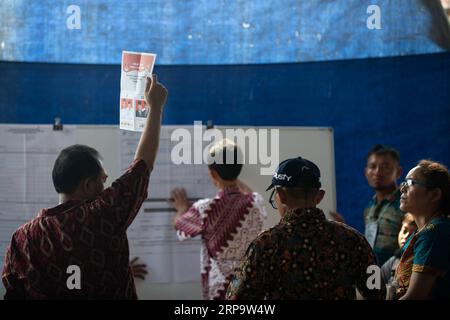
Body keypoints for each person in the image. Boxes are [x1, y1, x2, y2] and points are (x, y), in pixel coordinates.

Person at [2, 75, 168, 299]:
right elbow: (142, 165)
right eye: (103, 180)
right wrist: (155, 107)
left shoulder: (22, 239)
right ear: (87, 185)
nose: (105, 186)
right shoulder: (101, 215)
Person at [226, 156, 385, 300]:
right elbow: (378, 291)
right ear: (319, 196)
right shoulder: (353, 240)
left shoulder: (265, 245)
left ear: (281, 195)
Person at [169, 139, 266, 300]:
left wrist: (181, 209)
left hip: (221, 290)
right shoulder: (255, 202)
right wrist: (231, 176)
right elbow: (249, 193)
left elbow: (179, 225)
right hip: (251, 286)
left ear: (212, 174)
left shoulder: (205, 209)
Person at [331, 144, 404, 266]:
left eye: (385, 167)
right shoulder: (369, 207)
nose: (377, 172)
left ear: (398, 172)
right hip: (372, 275)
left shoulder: (405, 204)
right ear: (366, 172)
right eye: (372, 166)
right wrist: (344, 228)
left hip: (395, 277)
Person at [394, 160, 450, 300]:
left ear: (435, 194)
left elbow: (415, 296)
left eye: (411, 183)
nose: (402, 188)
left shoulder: (434, 232)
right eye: (404, 182)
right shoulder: (422, 233)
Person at [380, 213, 417, 288]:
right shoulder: (393, 261)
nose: (406, 237)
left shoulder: (419, 262)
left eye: (412, 234)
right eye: (404, 231)